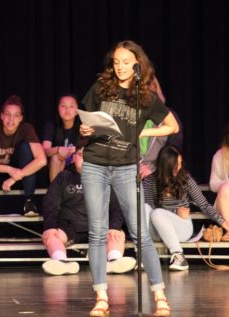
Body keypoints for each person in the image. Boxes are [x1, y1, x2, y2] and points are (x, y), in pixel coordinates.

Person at [80, 40, 179, 317]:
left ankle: (159, 293)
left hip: (125, 167)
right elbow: (84, 121)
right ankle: (101, 297)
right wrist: (85, 129)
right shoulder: (101, 88)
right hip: (95, 163)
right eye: (116, 62)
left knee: (140, 233)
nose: (120, 67)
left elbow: (172, 125)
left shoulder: (144, 96)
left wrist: (144, 133)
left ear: (137, 63)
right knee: (97, 233)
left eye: (125, 61)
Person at [41, 141, 136, 276]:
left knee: (117, 233)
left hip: (99, 226)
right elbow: (50, 204)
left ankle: (114, 261)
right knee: (52, 236)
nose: (85, 159)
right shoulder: (63, 177)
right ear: (74, 157)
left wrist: (114, 227)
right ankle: (60, 262)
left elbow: (117, 206)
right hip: (70, 227)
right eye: (80, 155)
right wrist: (50, 227)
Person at [0, 95, 46, 245]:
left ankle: (29, 201)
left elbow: (42, 160)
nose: (11, 119)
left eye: (16, 115)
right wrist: (8, 170)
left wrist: (14, 176)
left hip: (19, 179)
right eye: (8, 115)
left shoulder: (26, 129)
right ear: (1, 116)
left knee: (26, 148)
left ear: (21, 118)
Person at [143, 145, 229, 272]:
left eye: (180, 163)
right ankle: (145, 256)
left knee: (157, 213)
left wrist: (224, 223)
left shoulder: (185, 179)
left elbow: (204, 205)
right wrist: (175, 212)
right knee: (145, 208)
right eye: (175, 164)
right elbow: (151, 210)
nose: (178, 167)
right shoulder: (150, 181)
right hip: (158, 227)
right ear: (165, 165)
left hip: (181, 227)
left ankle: (178, 256)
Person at [139, 77, 184, 179]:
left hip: (157, 173)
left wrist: (154, 169)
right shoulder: (131, 115)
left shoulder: (170, 118)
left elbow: (172, 152)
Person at [41, 93, 81, 182]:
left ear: (77, 110)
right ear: (58, 108)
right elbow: (44, 150)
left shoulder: (82, 126)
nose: (67, 109)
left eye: (71, 106)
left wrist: (77, 153)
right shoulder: (51, 125)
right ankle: (55, 194)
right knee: (55, 158)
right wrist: (58, 150)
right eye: (63, 106)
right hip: (57, 165)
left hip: (76, 163)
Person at [210, 123, 229, 223]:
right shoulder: (219, 156)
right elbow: (213, 185)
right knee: (225, 188)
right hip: (226, 200)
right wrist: (226, 183)